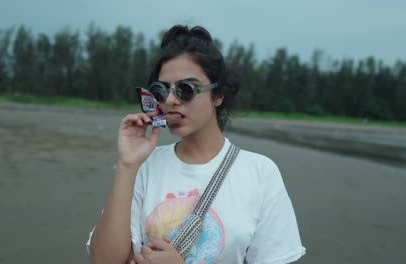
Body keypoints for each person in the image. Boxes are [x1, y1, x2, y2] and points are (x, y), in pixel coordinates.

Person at [86, 25, 306, 264]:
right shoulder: (144, 166)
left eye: (186, 89)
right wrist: (128, 166)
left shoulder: (260, 173)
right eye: (161, 91)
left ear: (218, 95)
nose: (170, 101)